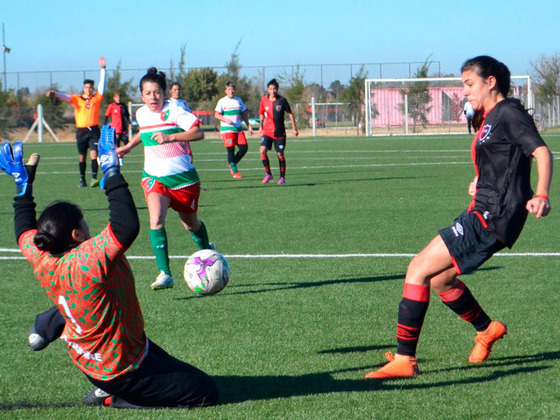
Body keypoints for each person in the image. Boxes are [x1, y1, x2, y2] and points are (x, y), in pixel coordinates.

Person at [0, 128, 219, 408]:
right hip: (121, 370)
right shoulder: (87, 259)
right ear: (77, 236)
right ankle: (113, 398)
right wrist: (111, 172)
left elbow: (23, 231)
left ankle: (50, 324)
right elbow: (126, 226)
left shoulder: (43, 254)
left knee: (163, 362)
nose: (87, 224)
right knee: (205, 391)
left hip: (93, 356)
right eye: (82, 222)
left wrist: (23, 187)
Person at [366, 55, 553, 379]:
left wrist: (542, 194)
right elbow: (503, 161)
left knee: (417, 269)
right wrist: (481, 180)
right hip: (484, 208)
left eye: (469, 84)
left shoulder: (508, 111)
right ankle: (487, 329)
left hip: (491, 215)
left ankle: (405, 359)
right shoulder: (490, 117)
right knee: (439, 278)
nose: (464, 91)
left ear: (490, 81)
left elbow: (540, 151)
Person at [117, 67, 214, 290]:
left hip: (183, 180)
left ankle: (207, 250)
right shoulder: (141, 113)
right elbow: (143, 132)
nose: (153, 97)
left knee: (190, 224)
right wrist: (128, 147)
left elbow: (199, 133)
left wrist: (171, 137)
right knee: (156, 220)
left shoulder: (175, 111)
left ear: (164, 92)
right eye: (148, 93)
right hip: (153, 177)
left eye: (157, 92)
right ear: (141, 95)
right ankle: (165, 273)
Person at [46, 57, 106, 188]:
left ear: (92, 88)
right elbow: (65, 96)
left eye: (90, 88)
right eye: (86, 87)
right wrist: (55, 93)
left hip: (94, 130)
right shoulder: (77, 99)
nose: (88, 89)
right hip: (81, 131)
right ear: (83, 88)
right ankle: (82, 179)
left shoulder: (96, 98)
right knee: (82, 156)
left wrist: (103, 69)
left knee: (94, 153)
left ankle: (94, 178)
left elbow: (102, 86)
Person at [258, 78, 298, 185]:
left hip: (279, 133)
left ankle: (282, 177)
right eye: (271, 89)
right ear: (268, 89)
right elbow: (261, 114)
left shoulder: (282, 100)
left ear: (277, 89)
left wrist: (294, 128)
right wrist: (260, 127)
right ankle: (268, 174)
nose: (272, 91)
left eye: (274, 89)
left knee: (280, 154)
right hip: (267, 131)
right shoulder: (263, 100)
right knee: (262, 150)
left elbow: (290, 113)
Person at [214, 81, 253, 178]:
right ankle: (235, 172)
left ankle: (232, 163)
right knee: (231, 150)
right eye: (229, 89)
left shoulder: (239, 100)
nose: (231, 91)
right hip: (227, 129)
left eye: (232, 89)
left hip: (238, 128)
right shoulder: (222, 101)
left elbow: (243, 114)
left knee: (244, 148)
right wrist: (225, 119)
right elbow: (216, 115)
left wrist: (248, 125)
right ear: (225, 91)